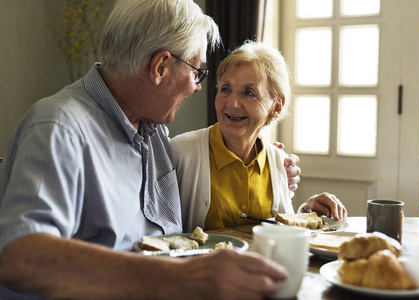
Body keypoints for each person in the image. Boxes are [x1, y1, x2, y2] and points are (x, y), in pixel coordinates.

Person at [0, 1, 299, 299]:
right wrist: (178, 277)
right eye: (197, 71)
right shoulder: (59, 128)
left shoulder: (153, 132)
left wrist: (273, 165)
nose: (198, 87)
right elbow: (20, 255)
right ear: (160, 67)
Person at [171, 41, 347, 232]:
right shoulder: (180, 152)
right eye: (225, 89)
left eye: (249, 93)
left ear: (277, 106)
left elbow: (281, 229)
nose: (232, 103)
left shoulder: (280, 161)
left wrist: (308, 211)